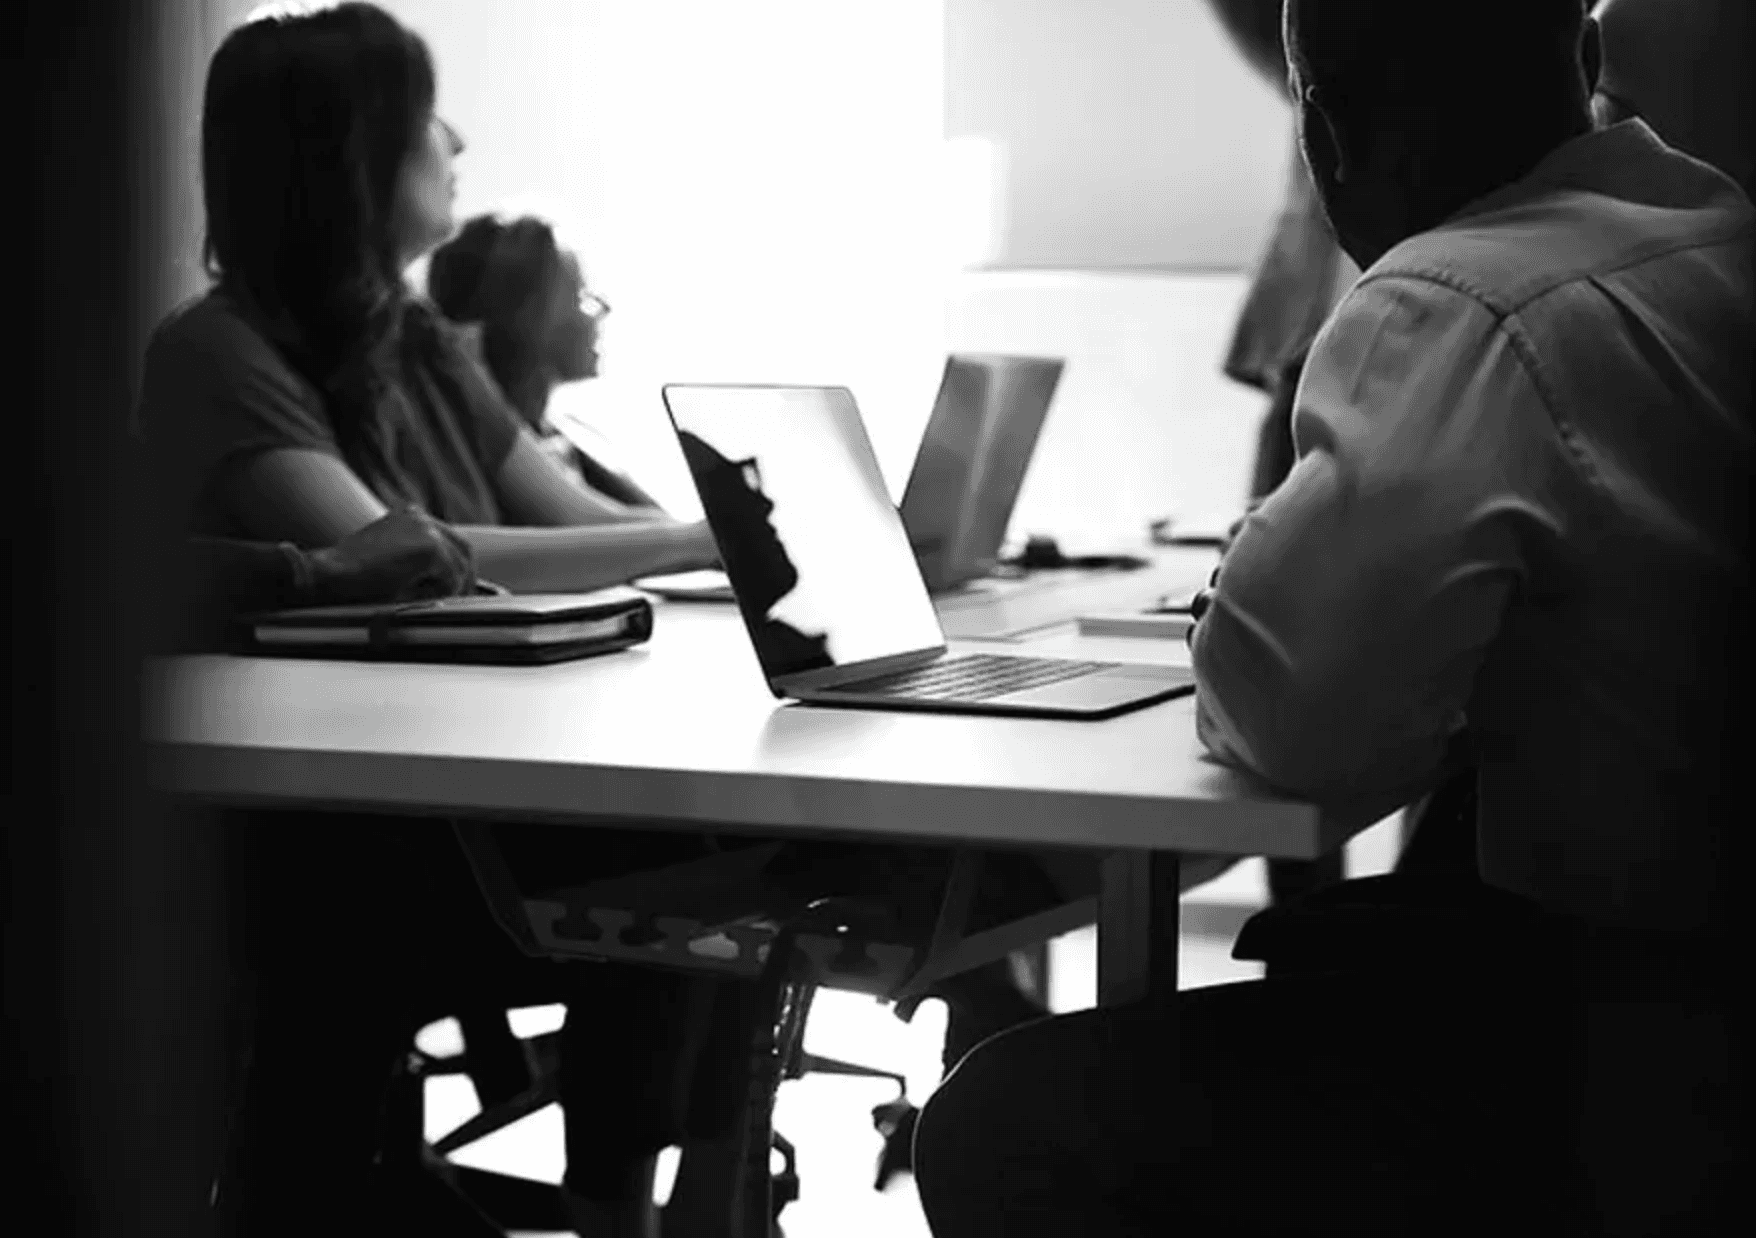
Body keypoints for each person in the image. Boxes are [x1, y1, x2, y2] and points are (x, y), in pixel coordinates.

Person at [915, 2, 1751, 1234]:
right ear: (1583, 64)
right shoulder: (1713, 238)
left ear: (1326, 134)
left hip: (1618, 1053)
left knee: (1005, 1116)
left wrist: (1243, 580)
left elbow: (1288, 726)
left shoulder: (1456, 297)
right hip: (1706, 1013)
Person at [134, 7, 747, 1234]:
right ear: (351, 160)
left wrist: (721, 536)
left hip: (461, 790)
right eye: (425, 121)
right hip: (333, 839)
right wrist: (696, 539)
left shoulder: (418, 340)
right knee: (690, 869)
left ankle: (655, 1210)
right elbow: (399, 557)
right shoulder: (218, 350)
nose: (457, 140)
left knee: (719, 860)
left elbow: (557, 511)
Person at [429, 212, 665, 511]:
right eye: (580, 295)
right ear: (530, 317)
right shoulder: (478, 464)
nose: (600, 311)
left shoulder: (570, 438)